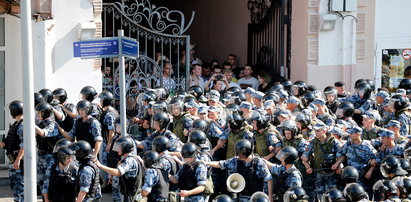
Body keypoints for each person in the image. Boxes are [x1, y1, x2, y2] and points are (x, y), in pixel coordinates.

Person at [204, 139, 273, 201]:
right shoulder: (236, 161)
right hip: (243, 196)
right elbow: (221, 164)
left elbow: (269, 179)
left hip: (256, 197)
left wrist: (270, 197)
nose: (237, 155)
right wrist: (206, 163)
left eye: (239, 153)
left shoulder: (259, 163)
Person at [301, 122, 341, 200]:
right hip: (319, 172)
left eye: (318, 131)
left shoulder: (333, 141)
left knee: (331, 194)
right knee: (320, 194)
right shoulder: (313, 142)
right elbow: (304, 156)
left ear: (324, 131)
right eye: (315, 131)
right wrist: (307, 166)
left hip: (331, 172)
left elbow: (341, 155)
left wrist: (337, 165)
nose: (316, 133)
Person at [94, 136, 141, 202]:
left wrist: (100, 166)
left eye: (119, 147)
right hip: (127, 194)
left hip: (130, 195)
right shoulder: (127, 158)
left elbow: (118, 172)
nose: (117, 149)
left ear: (125, 147)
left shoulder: (130, 160)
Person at [35, 102, 63, 193]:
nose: (38, 114)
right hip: (41, 154)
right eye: (37, 112)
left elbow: (44, 133)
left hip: (50, 156)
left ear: (46, 113)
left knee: (49, 180)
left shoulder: (52, 124)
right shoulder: (40, 123)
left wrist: (32, 125)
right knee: (41, 181)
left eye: (40, 112)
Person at [0, 100, 24, 201]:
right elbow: (8, 141)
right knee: (15, 188)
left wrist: (18, 159)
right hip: (12, 161)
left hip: (18, 162)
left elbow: (24, 144)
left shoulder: (22, 125)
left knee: (21, 189)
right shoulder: (15, 124)